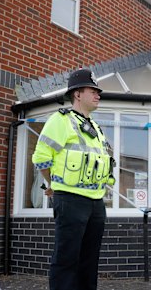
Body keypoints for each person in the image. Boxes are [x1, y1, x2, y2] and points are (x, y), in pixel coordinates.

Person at [32, 68, 115, 290]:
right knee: (67, 259)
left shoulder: (96, 127)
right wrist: (52, 185)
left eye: (99, 91)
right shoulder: (60, 121)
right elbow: (41, 158)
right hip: (70, 199)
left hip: (96, 202)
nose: (98, 95)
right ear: (77, 93)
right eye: (93, 90)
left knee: (90, 260)